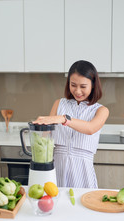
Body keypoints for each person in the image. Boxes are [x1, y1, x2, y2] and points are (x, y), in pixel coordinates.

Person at [33, 60, 109, 188]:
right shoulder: (59, 104)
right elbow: (47, 137)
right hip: (57, 167)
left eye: (83, 86)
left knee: (83, 205)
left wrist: (64, 119)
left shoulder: (101, 110)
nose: (78, 91)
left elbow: (90, 128)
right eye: (73, 85)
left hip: (83, 171)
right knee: (56, 205)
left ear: (93, 85)